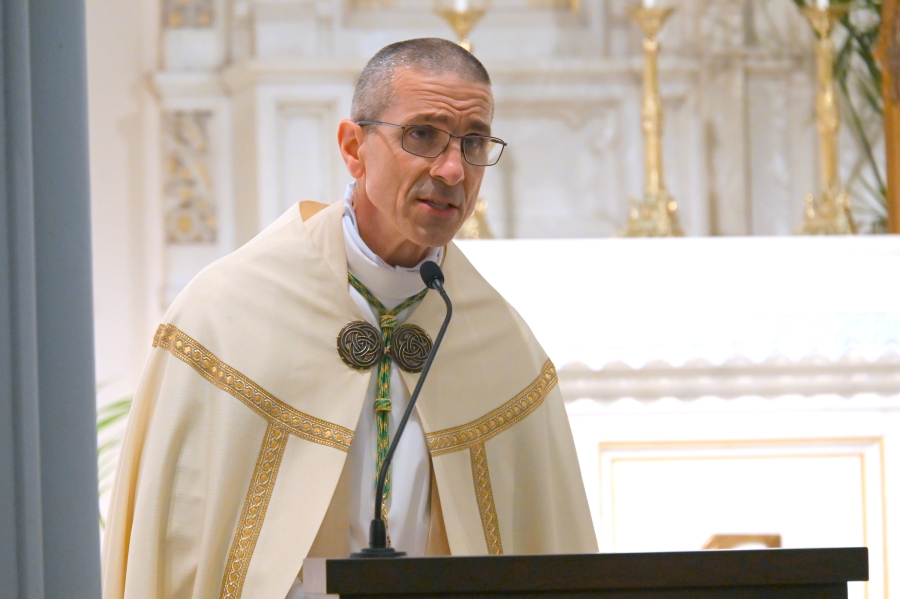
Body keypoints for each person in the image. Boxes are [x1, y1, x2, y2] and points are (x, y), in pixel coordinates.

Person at [102, 38, 597, 599]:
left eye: (474, 142)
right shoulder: (224, 318)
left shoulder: (503, 349)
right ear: (354, 148)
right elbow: (179, 549)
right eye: (423, 135)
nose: (453, 170)